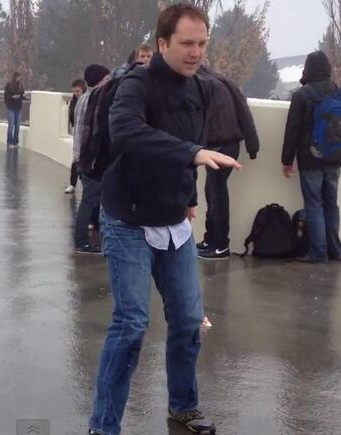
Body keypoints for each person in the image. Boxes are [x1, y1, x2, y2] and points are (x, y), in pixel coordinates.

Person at [88, 4, 241, 435]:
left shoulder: (202, 89)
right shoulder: (136, 85)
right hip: (128, 220)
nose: (196, 53)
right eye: (187, 44)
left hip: (173, 219)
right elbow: (127, 133)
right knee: (132, 324)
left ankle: (183, 406)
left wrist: (188, 194)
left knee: (189, 320)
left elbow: (192, 145)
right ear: (162, 44)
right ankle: (103, 426)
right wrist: (192, 154)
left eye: (202, 44)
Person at [281, 51, 341, 263]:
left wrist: (286, 160)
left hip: (310, 159)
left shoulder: (302, 95)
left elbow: (293, 130)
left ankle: (318, 253)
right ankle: (335, 251)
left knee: (314, 204)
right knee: (331, 204)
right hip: (335, 157)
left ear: (307, 70)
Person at [195, 65, 260, 259]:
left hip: (218, 145)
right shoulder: (221, 80)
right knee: (214, 191)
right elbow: (243, 111)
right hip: (229, 144)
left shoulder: (200, 84)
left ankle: (219, 243)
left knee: (216, 194)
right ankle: (212, 239)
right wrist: (252, 145)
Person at [73, 64, 111, 255]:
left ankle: (86, 237)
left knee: (90, 199)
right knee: (89, 200)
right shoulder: (96, 100)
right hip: (91, 159)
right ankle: (81, 242)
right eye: (107, 78)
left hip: (80, 157)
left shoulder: (81, 99)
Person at [66, 78, 87, 194]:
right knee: (75, 160)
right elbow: (71, 118)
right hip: (77, 134)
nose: (75, 94)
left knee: (84, 160)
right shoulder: (73, 102)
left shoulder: (88, 100)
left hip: (86, 135)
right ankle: (72, 184)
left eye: (77, 91)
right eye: (74, 91)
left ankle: (84, 184)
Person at [3, 72, 26, 147]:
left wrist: (23, 96)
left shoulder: (20, 85)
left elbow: (22, 95)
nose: (19, 79)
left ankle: (16, 142)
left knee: (17, 126)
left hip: (18, 107)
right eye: (18, 77)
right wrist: (12, 97)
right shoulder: (9, 85)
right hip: (11, 107)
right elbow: (6, 96)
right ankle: (9, 142)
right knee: (11, 125)